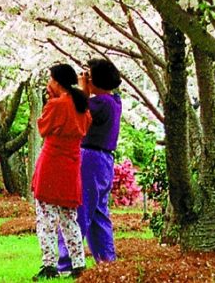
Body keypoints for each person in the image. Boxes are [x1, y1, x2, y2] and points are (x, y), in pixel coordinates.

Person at [60, 58, 124, 271]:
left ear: (96, 81)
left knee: (78, 208)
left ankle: (66, 261)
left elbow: (76, 108)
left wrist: (81, 88)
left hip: (89, 159)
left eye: (88, 75)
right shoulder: (114, 101)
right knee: (98, 215)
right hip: (104, 161)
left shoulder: (101, 103)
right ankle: (107, 262)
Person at [32, 63, 92, 280]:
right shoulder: (81, 106)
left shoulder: (56, 105)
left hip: (52, 164)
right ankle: (78, 263)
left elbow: (42, 128)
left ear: (56, 81)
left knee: (46, 219)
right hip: (71, 165)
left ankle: (49, 265)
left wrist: (48, 102)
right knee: (69, 218)